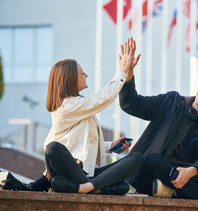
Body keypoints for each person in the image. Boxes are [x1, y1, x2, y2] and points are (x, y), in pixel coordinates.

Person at [119, 66, 198, 201]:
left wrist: (192, 171)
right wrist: (128, 75)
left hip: (187, 176)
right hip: (154, 174)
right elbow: (132, 104)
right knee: (152, 160)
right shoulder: (171, 101)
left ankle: (171, 191)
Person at [43, 38, 144, 195]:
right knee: (53, 148)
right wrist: (123, 71)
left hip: (86, 176)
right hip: (73, 171)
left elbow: (84, 142)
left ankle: (83, 187)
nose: (86, 75)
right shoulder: (67, 106)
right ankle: (92, 187)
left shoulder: (79, 106)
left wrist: (111, 146)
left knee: (136, 159)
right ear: (69, 79)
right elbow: (103, 98)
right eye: (82, 73)